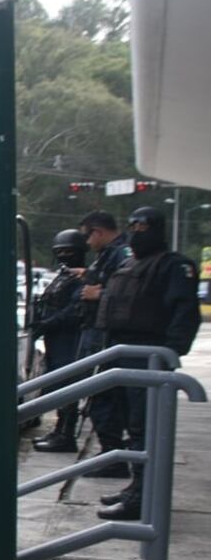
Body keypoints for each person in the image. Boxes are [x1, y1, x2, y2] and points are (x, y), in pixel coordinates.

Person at [95, 207, 201, 520]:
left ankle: (143, 497)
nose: (136, 231)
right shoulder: (130, 264)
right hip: (121, 352)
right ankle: (136, 486)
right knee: (130, 424)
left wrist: (170, 354)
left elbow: (185, 313)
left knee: (145, 429)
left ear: (156, 229)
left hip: (149, 356)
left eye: (142, 226)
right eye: (132, 225)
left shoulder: (173, 265)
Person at [74, 211, 132, 477]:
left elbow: (133, 292)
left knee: (104, 399)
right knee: (97, 397)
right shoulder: (109, 255)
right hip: (97, 332)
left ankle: (114, 458)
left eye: (88, 236)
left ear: (97, 231)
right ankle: (110, 454)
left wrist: (101, 294)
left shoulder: (123, 254)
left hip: (106, 336)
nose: (87, 243)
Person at [32, 229, 89, 452]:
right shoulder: (62, 276)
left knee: (68, 385)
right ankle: (59, 430)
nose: (65, 255)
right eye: (60, 252)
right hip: (54, 340)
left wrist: (49, 323)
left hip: (70, 340)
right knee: (57, 385)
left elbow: (75, 311)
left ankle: (66, 434)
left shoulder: (81, 277)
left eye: (69, 251)